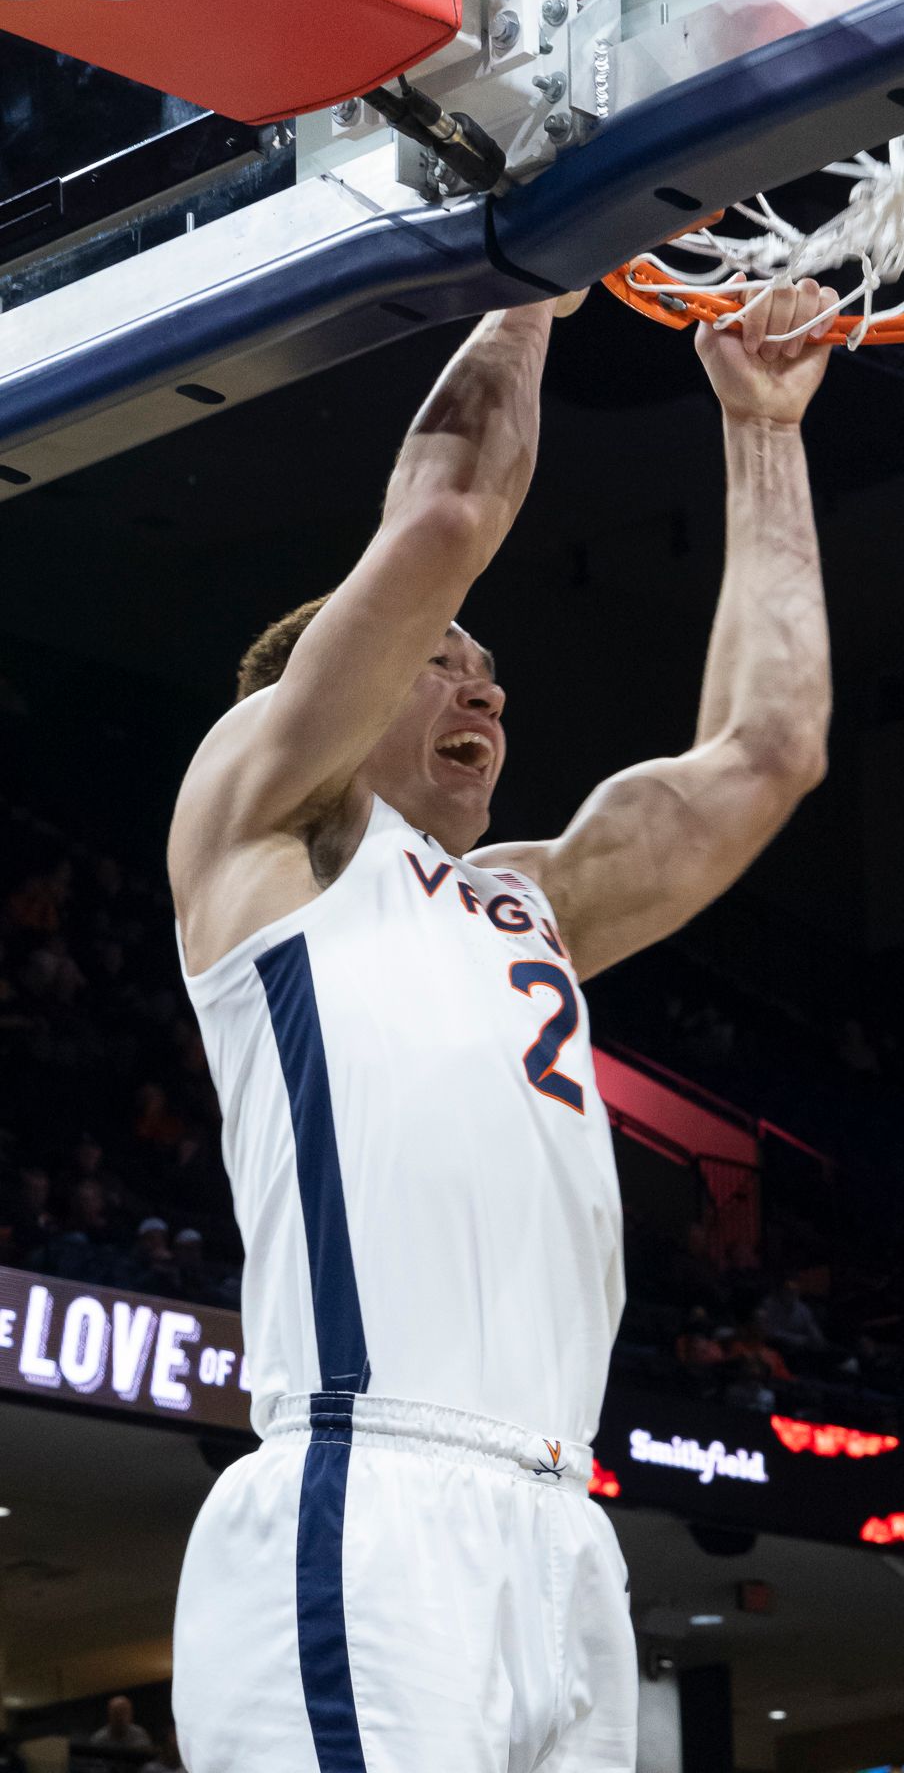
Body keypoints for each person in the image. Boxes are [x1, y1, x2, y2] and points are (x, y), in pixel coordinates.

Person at [167, 278, 837, 1773]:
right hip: (370, 1494)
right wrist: (531, 280)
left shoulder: (528, 904)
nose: (490, 684)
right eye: (444, 661)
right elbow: (448, 513)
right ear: (331, 688)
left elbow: (769, 752)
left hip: (558, 1533)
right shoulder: (268, 830)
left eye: (492, 675)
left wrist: (764, 431)